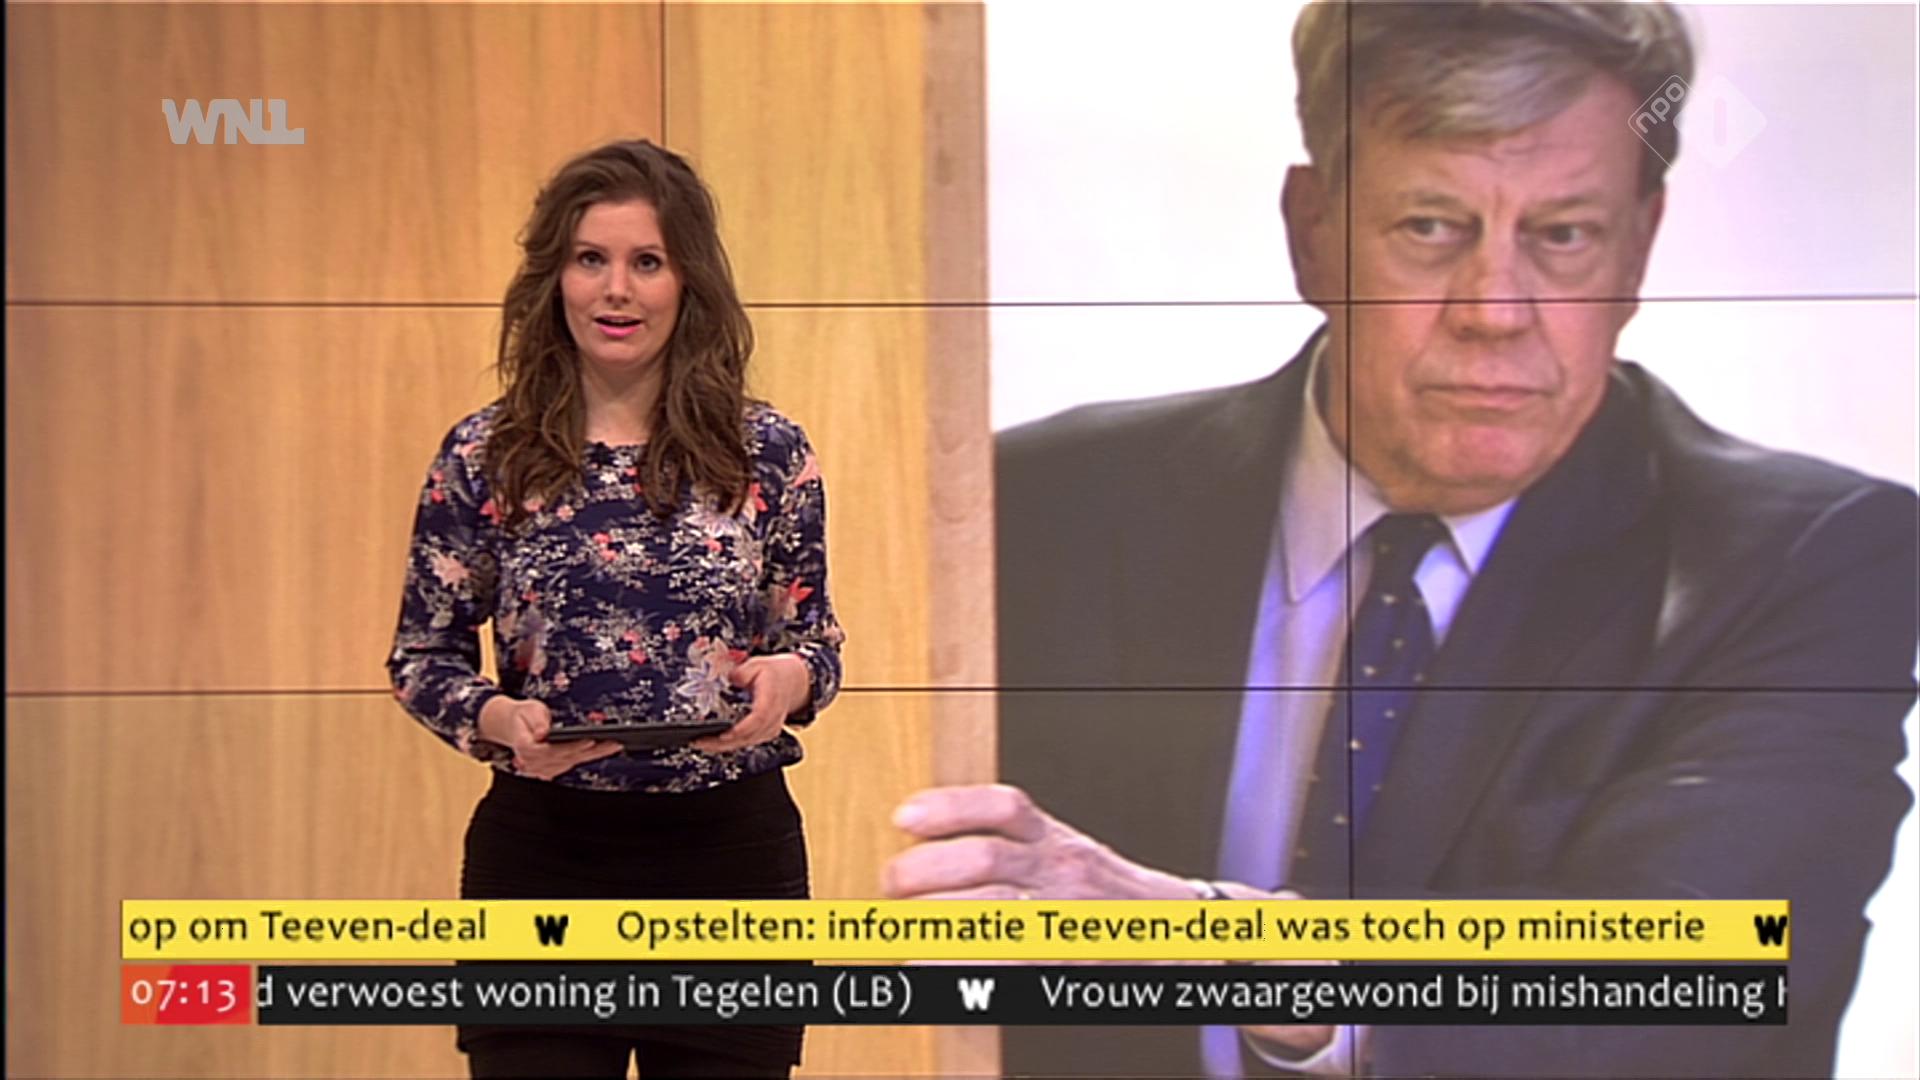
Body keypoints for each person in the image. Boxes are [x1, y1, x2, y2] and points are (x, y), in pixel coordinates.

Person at [883, 3, 1917, 1077]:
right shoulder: (1026, 510)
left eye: (1563, 236)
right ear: (1311, 230)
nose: (1495, 310)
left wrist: (1194, 935)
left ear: (1639, 247)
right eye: (1431, 227)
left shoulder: (1803, 562)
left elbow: (1690, 981)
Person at [389, 139, 844, 1079]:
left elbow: (816, 641)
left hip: (730, 864)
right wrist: (498, 721)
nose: (617, 290)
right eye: (591, 259)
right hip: (545, 861)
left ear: (689, 282)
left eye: (647, 262)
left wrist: (788, 681)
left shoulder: (764, 451)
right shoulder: (486, 454)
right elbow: (422, 656)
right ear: (554, 278)